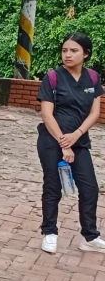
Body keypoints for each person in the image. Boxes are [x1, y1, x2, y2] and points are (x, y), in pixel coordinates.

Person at [37, 32, 105, 254]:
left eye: (74, 50)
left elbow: (94, 113)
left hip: (79, 140)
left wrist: (76, 136)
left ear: (86, 54)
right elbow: (47, 115)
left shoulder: (93, 78)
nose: (68, 54)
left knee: (90, 188)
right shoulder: (53, 77)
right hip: (51, 140)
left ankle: (90, 237)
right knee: (53, 187)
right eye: (65, 50)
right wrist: (63, 143)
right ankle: (50, 232)